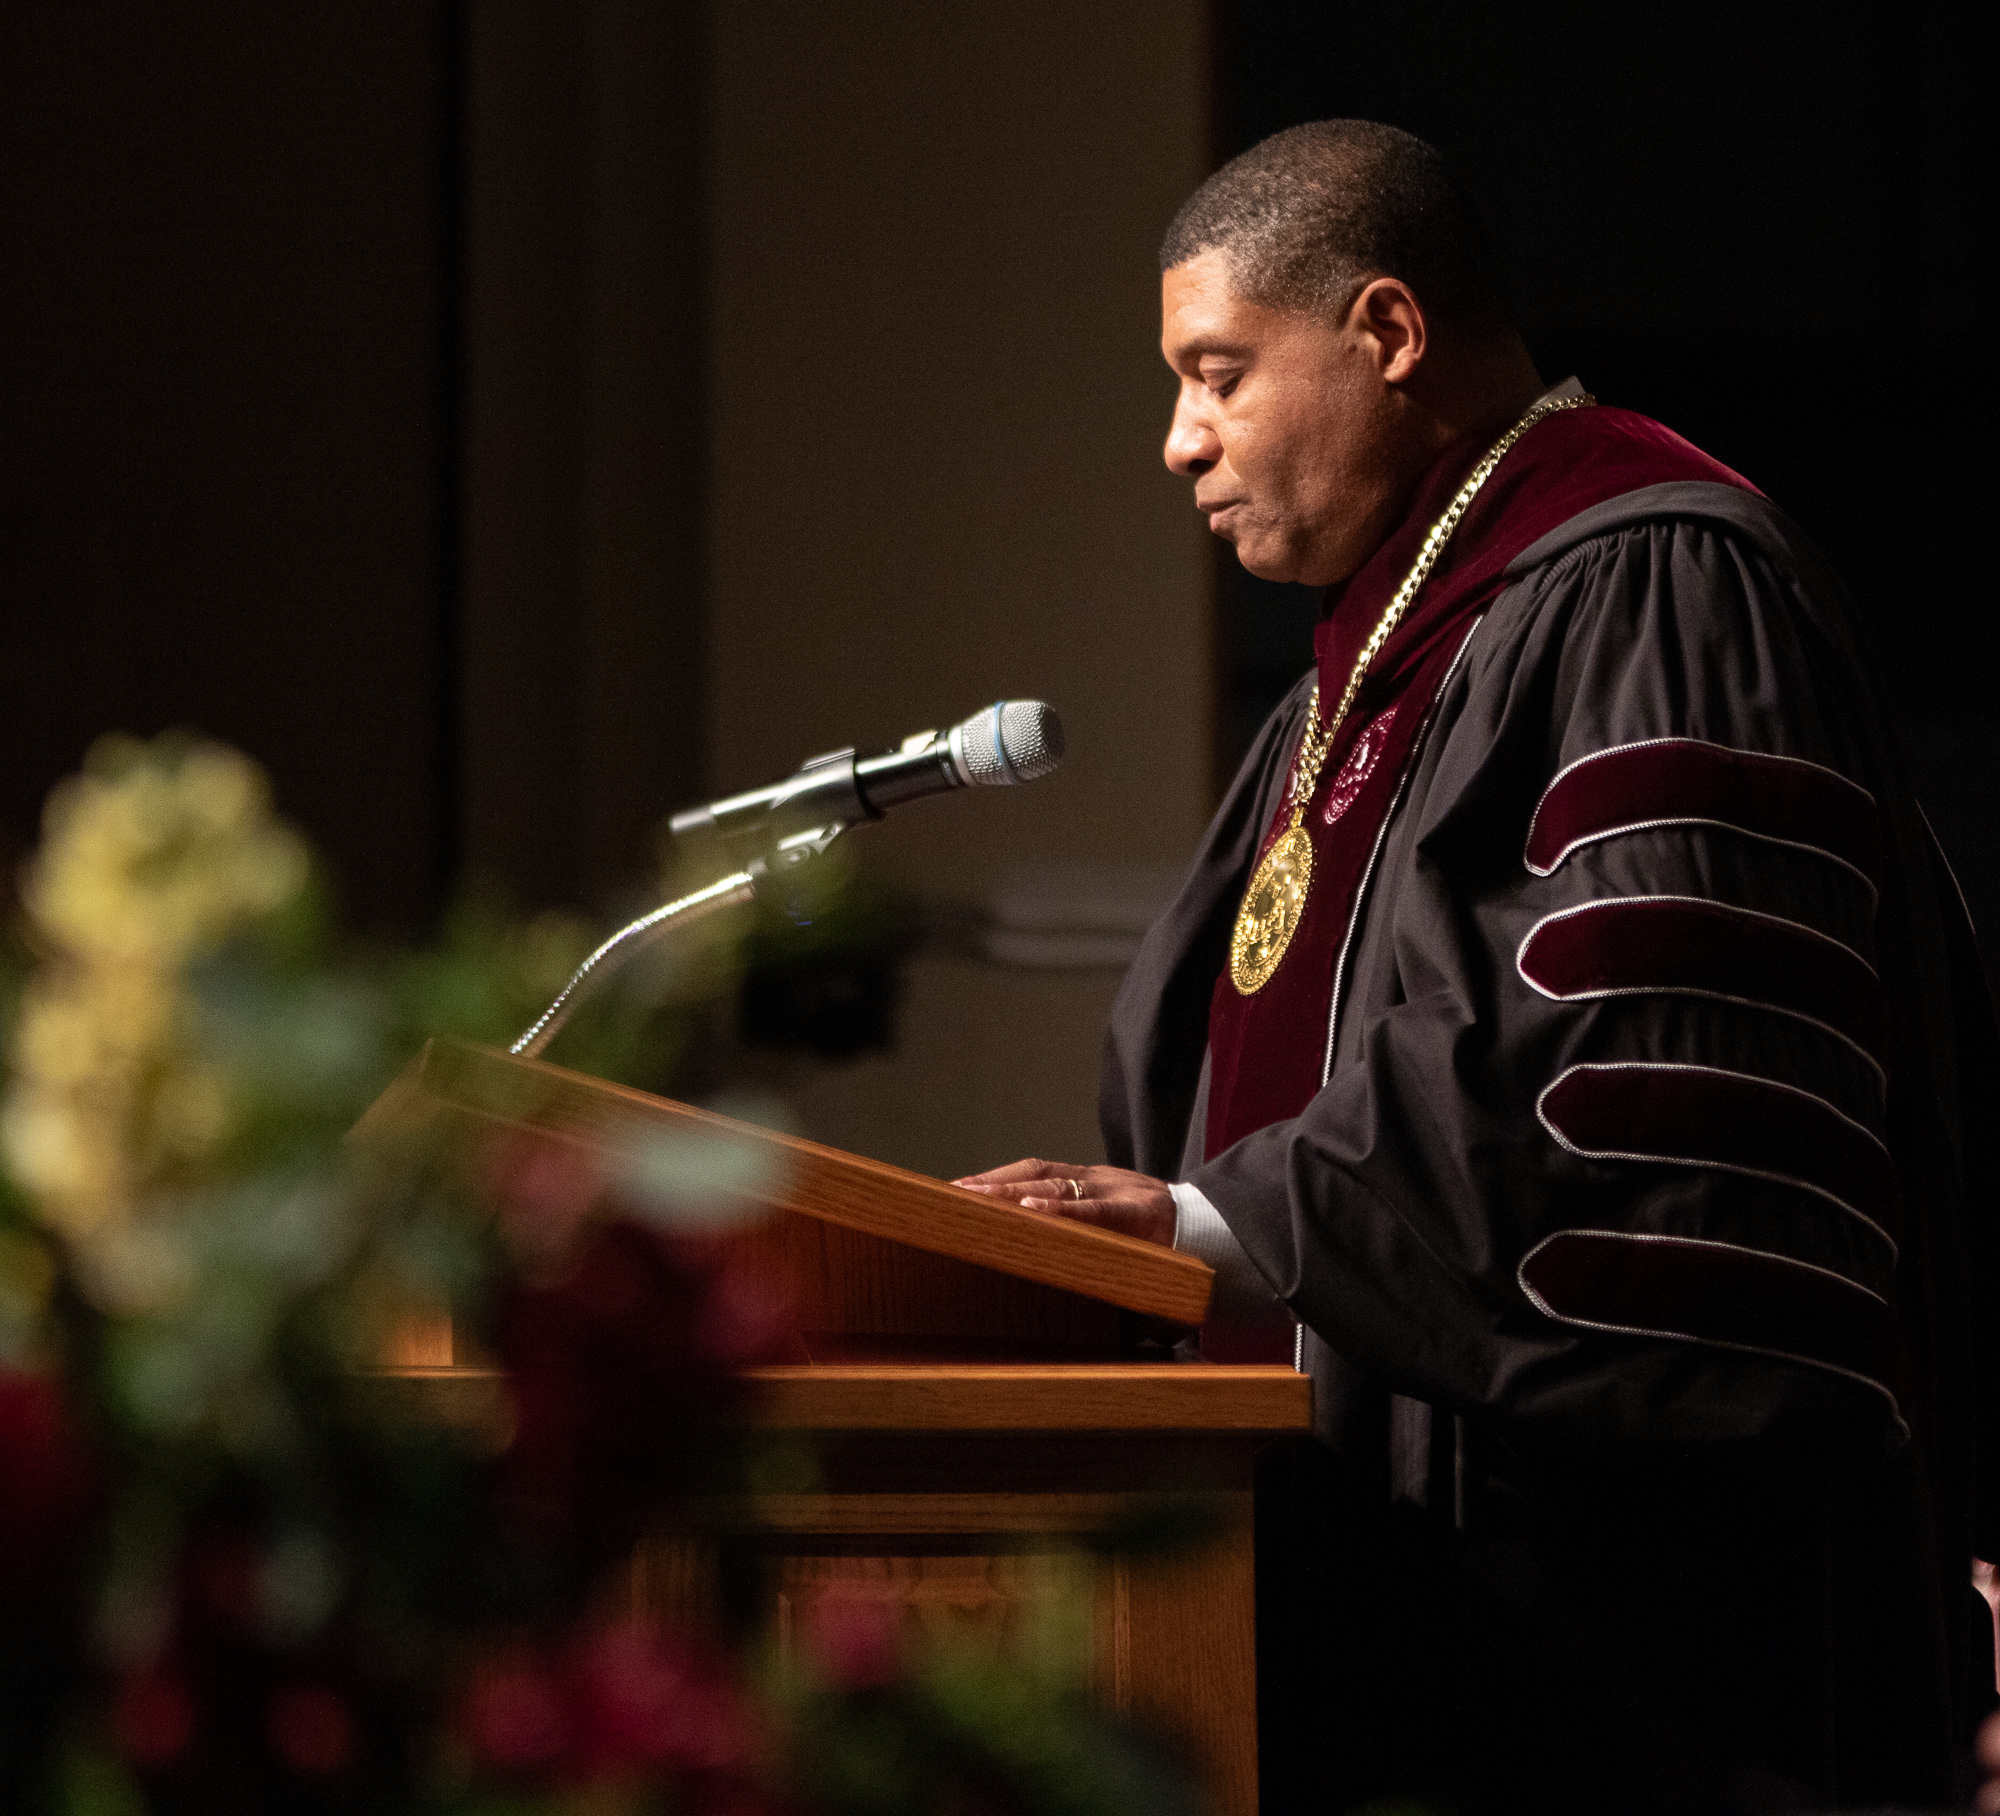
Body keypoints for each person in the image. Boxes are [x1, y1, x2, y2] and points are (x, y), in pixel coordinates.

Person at [957, 121, 1999, 1813]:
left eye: (1217, 373)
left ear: (1385, 332)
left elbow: (1644, 1093)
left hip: (1609, 1635)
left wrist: (1211, 1228)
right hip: (1335, 1586)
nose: (1177, 441)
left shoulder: (1667, 582)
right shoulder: (1340, 699)